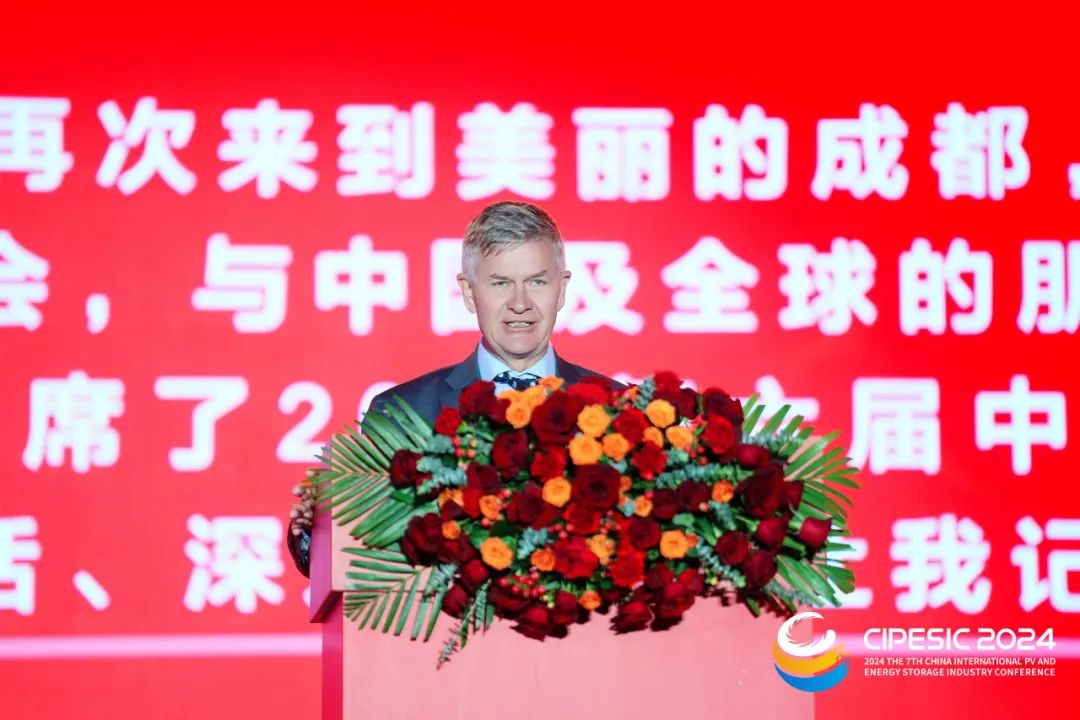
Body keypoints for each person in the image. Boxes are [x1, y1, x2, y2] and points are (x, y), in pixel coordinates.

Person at [287, 201, 623, 575]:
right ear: (468, 292)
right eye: (500, 284)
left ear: (561, 289)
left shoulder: (619, 409)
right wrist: (317, 528)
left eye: (537, 282)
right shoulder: (403, 413)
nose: (520, 303)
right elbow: (368, 554)